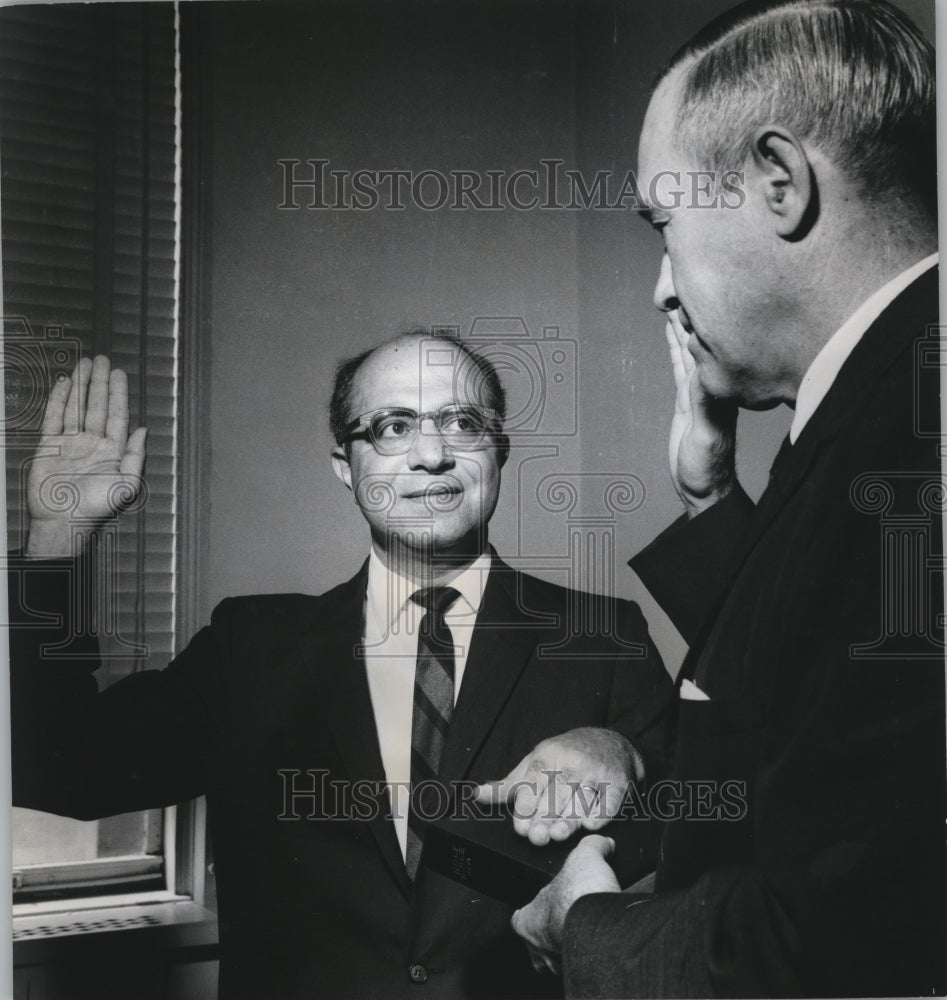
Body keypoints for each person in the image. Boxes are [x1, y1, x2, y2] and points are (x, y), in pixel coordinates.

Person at [10, 330, 672, 999]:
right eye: (392, 427)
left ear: (497, 452)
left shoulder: (601, 637)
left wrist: (624, 754)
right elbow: (51, 766)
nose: (432, 454)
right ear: (343, 465)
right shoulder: (251, 647)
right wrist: (59, 537)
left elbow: (716, 837)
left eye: (462, 424)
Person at [509, 0, 945, 996]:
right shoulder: (879, 404)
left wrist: (584, 920)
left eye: (663, 222)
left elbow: (822, 939)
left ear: (779, 184)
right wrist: (711, 498)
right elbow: (817, 699)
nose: (661, 286)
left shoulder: (911, 440)